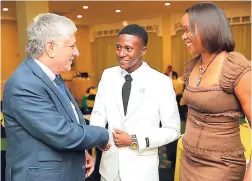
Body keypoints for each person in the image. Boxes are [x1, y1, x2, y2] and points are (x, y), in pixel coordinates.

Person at [2, 13, 109, 181]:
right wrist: (103, 135)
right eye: (72, 46)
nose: (77, 52)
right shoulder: (24, 83)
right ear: (50, 47)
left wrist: (82, 152)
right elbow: (62, 134)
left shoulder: (52, 77)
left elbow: (68, 119)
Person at [90, 24, 181, 181]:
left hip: (142, 171)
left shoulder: (161, 82)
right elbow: (98, 113)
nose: (121, 53)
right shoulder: (108, 75)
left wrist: (134, 140)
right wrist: (99, 137)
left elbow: (173, 130)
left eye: (128, 48)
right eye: (118, 47)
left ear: (143, 50)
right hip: (109, 170)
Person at [180, 3, 251, 181]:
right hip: (188, 161)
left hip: (221, 166)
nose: (183, 36)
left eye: (188, 30)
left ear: (207, 28)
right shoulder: (192, 66)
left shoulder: (235, 66)